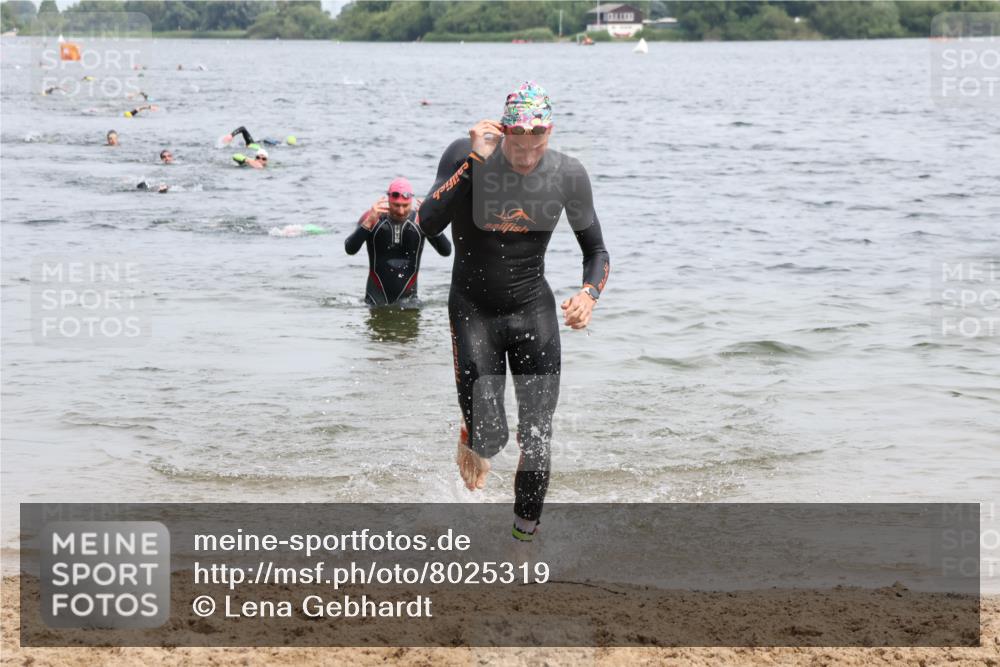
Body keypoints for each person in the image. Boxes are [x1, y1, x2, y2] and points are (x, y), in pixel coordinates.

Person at [418, 81, 610, 542]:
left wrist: (588, 294)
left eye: (537, 147)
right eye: (518, 147)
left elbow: (597, 251)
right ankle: (473, 434)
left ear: (550, 134)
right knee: (491, 438)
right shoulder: (466, 154)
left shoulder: (567, 174)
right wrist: (472, 164)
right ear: (502, 132)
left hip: (532, 311)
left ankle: (523, 541)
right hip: (473, 310)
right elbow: (427, 222)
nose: (527, 158)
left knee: (538, 437)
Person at [345, 177, 451, 305]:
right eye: (396, 205)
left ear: (411, 201)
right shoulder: (372, 217)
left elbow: (446, 251)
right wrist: (368, 223)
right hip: (375, 300)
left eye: (405, 206)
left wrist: (430, 224)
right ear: (388, 201)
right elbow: (350, 249)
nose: (401, 211)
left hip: (410, 301)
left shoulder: (421, 220)